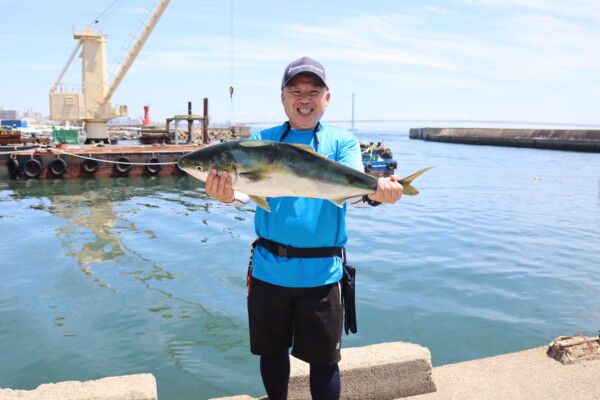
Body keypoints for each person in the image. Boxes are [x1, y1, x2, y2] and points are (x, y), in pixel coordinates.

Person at [204, 56, 403, 400]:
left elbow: (351, 194)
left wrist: (377, 194)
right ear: (282, 97)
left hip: (323, 273)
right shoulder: (260, 140)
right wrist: (226, 197)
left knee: (324, 362)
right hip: (268, 270)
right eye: (296, 90)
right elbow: (246, 194)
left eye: (314, 90)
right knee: (271, 353)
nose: (305, 97)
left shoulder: (342, 142)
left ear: (327, 98)